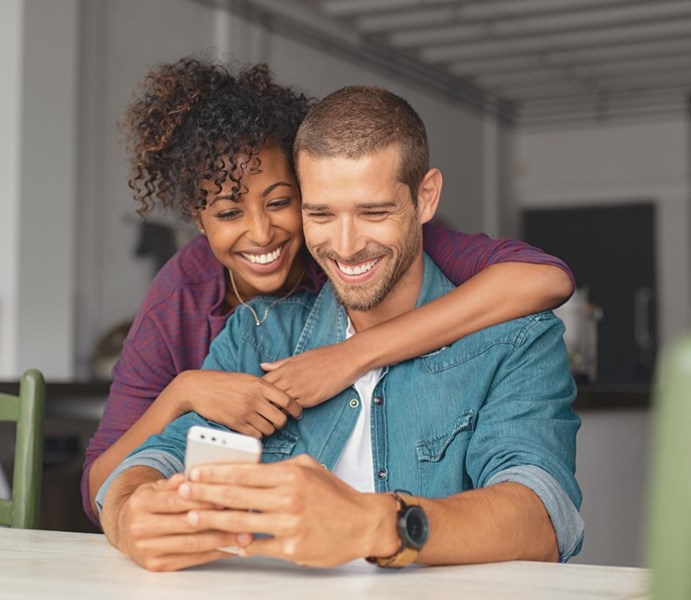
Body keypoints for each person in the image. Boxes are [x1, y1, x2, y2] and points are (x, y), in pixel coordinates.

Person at [96, 84, 583, 572]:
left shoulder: (517, 340)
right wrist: (128, 514)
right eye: (321, 214)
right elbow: (152, 461)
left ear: (426, 197)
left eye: (374, 212)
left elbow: (541, 517)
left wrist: (374, 524)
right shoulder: (256, 333)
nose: (346, 246)